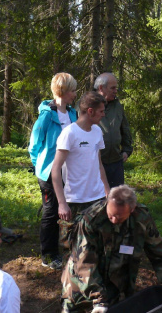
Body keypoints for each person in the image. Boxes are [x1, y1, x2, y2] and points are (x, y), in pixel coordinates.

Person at [60, 185, 162, 313]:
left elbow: (159, 253)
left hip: (112, 281)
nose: (113, 220)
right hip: (80, 280)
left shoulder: (141, 218)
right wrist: (98, 299)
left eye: (119, 216)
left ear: (132, 209)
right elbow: (84, 263)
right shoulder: (90, 220)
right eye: (111, 215)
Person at [28, 72, 78, 270]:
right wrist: (41, 166)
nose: (75, 94)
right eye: (73, 90)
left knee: (68, 209)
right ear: (63, 91)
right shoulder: (47, 115)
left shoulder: (72, 113)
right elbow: (34, 145)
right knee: (51, 212)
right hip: (49, 173)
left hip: (70, 171)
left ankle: (67, 246)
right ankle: (48, 254)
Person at [51, 91, 111, 254]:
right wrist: (62, 203)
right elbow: (55, 170)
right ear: (90, 111)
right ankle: (69, 279)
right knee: (71, 248)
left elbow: (99, 164)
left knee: (96, 246)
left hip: (97, 198)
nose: (103, 115)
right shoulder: (69, 133)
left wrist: (107, 190)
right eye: (101, 111)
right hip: (74, 200)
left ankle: (94, 278)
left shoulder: (97, 131)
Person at [94, 73, 133, 188]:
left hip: (116, 162)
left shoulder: (117, 106)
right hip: (95, 164)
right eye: (113, 88)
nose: (116, 91)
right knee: (97, 201)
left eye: (116, 87)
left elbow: (125, 129)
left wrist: (126, 150)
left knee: (116, 200)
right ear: (101, 88)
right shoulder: (86, 105)